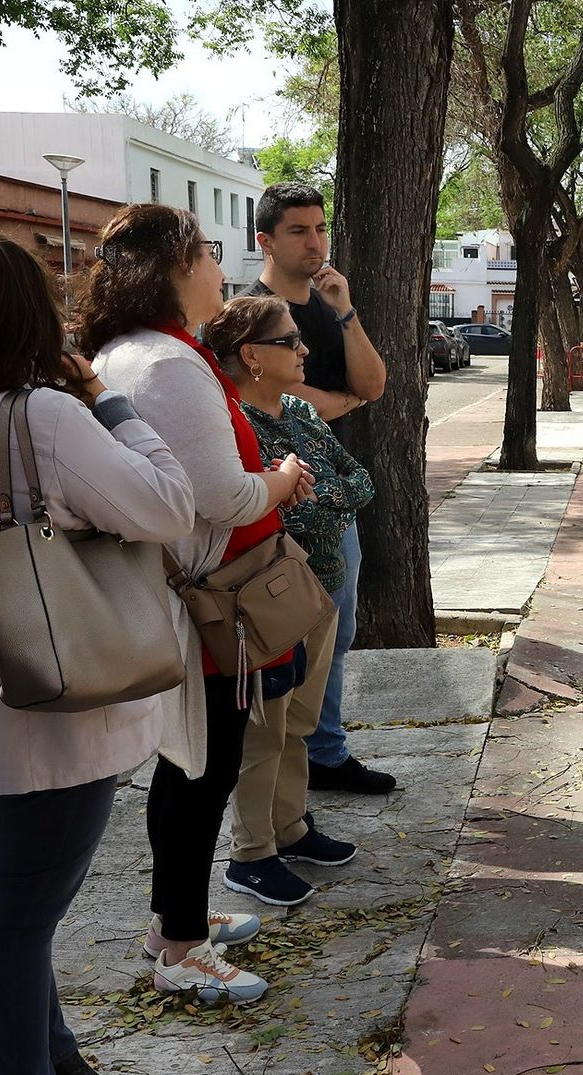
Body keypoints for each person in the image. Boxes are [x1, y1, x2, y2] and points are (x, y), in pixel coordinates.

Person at [0, 226, 195, 1075]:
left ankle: (57, 1062)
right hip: (53, 681)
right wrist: (110, 402)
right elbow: (167, 505)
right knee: (15, 918)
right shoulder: (43, 417)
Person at [83, 203, 312, 1004]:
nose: (220, 267)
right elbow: (220, 496)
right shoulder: (170, 364)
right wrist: (281, 479)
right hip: (206, 600)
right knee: (200, 769)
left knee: (187, 766)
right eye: (210, 251)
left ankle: (171, 919)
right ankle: (180, 946)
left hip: (172, 589)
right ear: (179, 267)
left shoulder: (123, 353)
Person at [204, 295, 372, 906]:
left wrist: (300, 487)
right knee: (263, 728)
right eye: (290, 341)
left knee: (298, 720)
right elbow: (252, 499)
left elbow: (359, 482)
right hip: (263, 593)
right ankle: (251, 853)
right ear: (251, 354)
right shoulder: (233, 423)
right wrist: (283, 488)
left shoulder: (300, 409)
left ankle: (290, 827)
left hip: (319, 585)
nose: (304, 351)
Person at [244, 182, 395, 796]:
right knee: (280, 634)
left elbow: (375, 384)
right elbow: (275, 402)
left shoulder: (331, 305)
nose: (315, 241)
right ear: (266, 241)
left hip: (330, 502)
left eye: (319, 228)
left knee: (338, 625)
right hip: (274, 505)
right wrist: (336, 401)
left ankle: (324, 752)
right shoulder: (250, 315)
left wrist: (346, 311)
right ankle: (280, 763)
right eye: (298, 231)